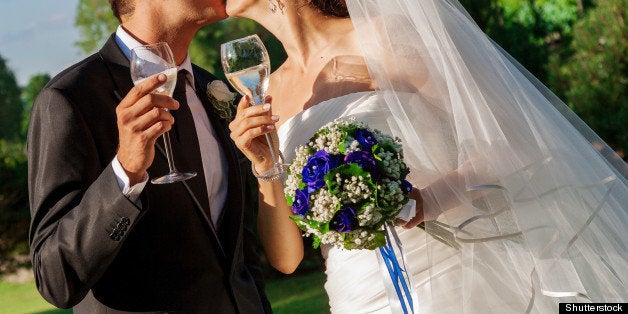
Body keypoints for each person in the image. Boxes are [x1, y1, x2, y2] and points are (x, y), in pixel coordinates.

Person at [227, 0, 627, 312]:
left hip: (456, 274)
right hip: (358, 295)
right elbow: (287, 260)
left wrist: (424, 201)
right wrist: (264, 166)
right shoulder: (267, 91)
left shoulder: (383, 38)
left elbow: (510, 139)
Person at [27, 0, 271, 312]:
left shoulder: (214, 87)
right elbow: (55, 278)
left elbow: (240, 250)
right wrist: (125, 172)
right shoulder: (69, 99)